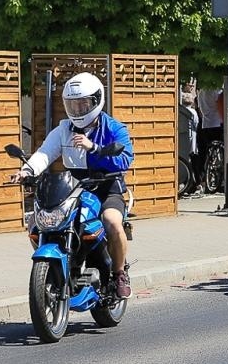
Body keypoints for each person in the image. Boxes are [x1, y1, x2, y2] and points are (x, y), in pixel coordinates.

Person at [11, 72, 135, 298]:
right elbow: (45, 153)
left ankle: (119, 274)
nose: (77, 110)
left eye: (83, 104)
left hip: (107, 187)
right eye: (73, 104)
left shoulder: (114, 128)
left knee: (112, 222)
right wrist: (26, 171)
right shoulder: (63, 129)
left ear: (96, 101)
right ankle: (60, 267)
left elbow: (125, 159)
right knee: (38, 222)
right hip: (76, 187)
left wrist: (94, 148)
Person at [177, 84, 201, 197]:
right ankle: (194, 182)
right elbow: (196, 124)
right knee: (191, 160)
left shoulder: (185, 112)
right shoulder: (193, 112)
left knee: (187, 161)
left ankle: (190, 182)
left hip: (186, 139)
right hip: (192, 139)